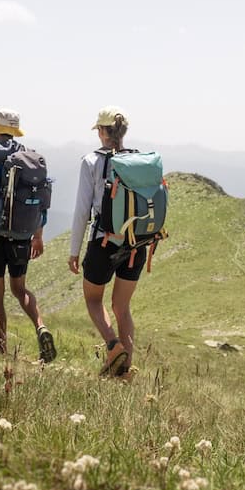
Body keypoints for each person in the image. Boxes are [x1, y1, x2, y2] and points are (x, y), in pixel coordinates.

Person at [0, 108, 56, 362]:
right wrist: (38, 233)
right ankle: (40, 325)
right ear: (15, 131)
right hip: (22, 234)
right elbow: (41, 199)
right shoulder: (30, 158)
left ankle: (3, 350)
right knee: (20, 289)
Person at [68, 106, 145, 377]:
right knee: (122, 307)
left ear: (101, 132)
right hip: (137, 243)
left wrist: (74, 251)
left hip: (105, 242)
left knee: (92, 300)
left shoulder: (92, 161)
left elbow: (81, 211)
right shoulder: (139, 161)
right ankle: (124, 371)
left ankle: (113, 347)